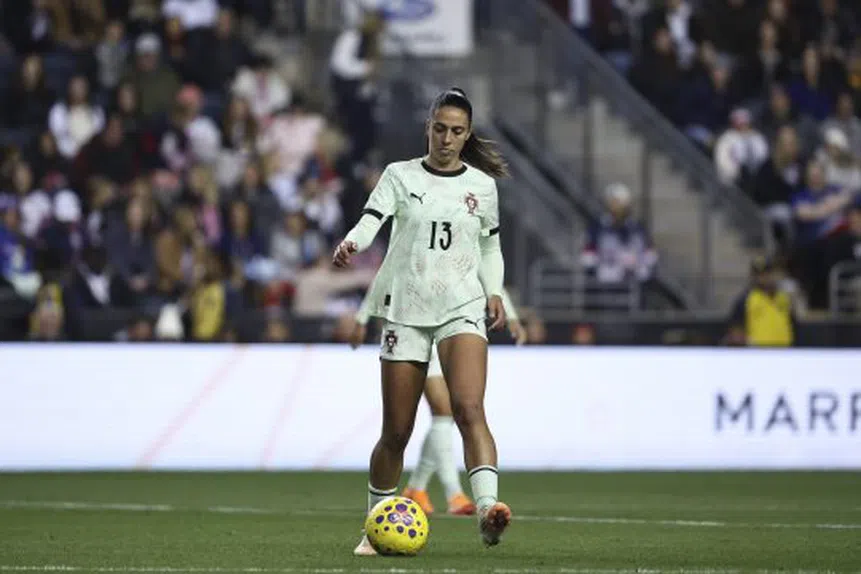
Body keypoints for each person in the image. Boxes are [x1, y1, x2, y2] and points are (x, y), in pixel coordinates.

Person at [332, 87, 512, 553]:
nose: (446, 139)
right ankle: (375, 526)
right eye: (439, 129)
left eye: (456, 131)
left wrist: (493, 291)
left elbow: (490, 247)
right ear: (427, 127)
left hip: (461, 306)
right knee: (396, 432)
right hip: (406, 311)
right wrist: (353, 242)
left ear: (467, 134)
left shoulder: (482, 187)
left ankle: (489, 511)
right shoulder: (400, 175)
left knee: (468, 409)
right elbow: (372, 219)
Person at [348, 289, 527, 518]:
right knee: (436, 414)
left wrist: (510, 315)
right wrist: (362, 318)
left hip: (454, 323)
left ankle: (420, 489)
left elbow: (488, 267)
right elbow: (388, 270)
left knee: (448, 413)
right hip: (414, 320)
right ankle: (449, 493)